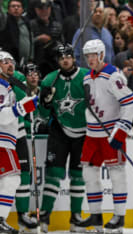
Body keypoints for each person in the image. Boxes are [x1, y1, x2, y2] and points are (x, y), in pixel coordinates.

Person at [77, 39, 133, 233]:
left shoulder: (113, 76)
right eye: (87, 56)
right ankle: (95, 217)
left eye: (93, 55)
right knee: (89, 174)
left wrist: (121, 129)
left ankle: (119, 216)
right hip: (92, 133)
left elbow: (130, 102)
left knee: (117, 174)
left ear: (102, 55)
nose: (90, 59)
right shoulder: (87, 77)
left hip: (110, 133)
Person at [36, 43, 89, 233]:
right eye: (61, 57)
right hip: (59, 131)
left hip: (84, 133)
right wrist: (44, 102)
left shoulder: (86, 77)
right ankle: (44, 216)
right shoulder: (49, 80)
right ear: (58, 61)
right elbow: (42, 113)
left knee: (78, 176)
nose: (65, 59)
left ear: (74, 58)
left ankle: (76, 218)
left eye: (68, 56)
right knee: (54, 175)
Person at [0, 51, 38, 234]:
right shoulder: (0, 87)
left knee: (9, 180)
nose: (10, 65)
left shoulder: (7, 87)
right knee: (13, 178)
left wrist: (29, 105)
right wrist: (23, 107)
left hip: (7, 141)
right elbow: (1, 116)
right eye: (4, 62)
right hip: (2, 142)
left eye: (11, 61)